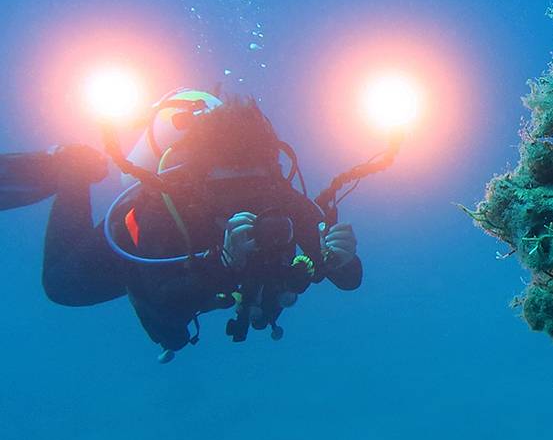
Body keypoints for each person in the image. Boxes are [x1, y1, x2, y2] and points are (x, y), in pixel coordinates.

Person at [3, 94, 361, 361]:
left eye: (254, 187)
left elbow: (342, 276)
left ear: (270, 175)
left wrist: (342, 258)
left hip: (201, 278)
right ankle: (72, 173)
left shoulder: (281, 196)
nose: (244, 202)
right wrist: (222, 264)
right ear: (200, 179)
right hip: (151, 257)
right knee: (62, 286)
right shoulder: (165, 203)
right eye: (230, 190)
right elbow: (159, 297)